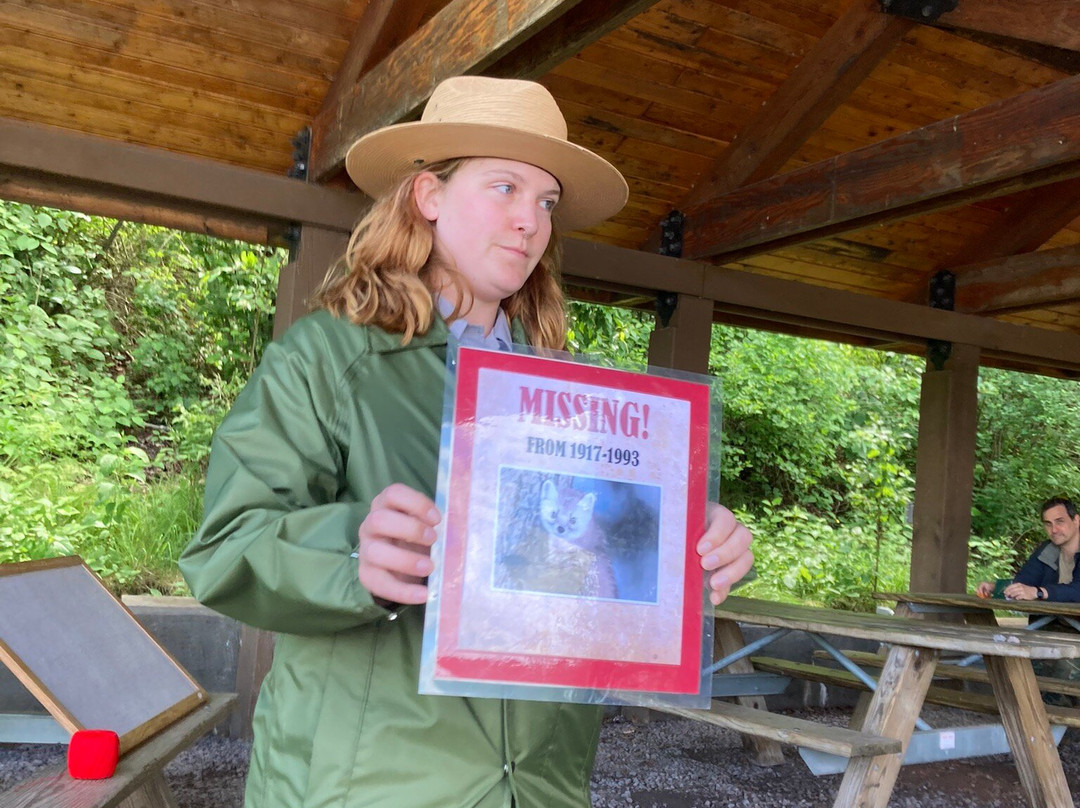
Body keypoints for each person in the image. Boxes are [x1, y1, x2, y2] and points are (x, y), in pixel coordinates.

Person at [179, 76, 754, 808]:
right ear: (429, 196)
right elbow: (226, 548)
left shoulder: (577, 406)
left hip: (541, 786)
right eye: (505, 187)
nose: (531, 222)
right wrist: (353, 549)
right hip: (362, 788)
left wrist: (689, 550)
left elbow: (593, 569)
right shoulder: (326, 358)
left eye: (546, 202)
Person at [976, 496, 1080, 602]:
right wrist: (995, 588)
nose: (1054, 530)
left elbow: (1077, 591)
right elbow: (1024, 583)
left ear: (1076, 520)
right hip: (1052, 618)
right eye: (1048, 524)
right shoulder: (1048, 550)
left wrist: (1038, 592)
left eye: (1060, 522)